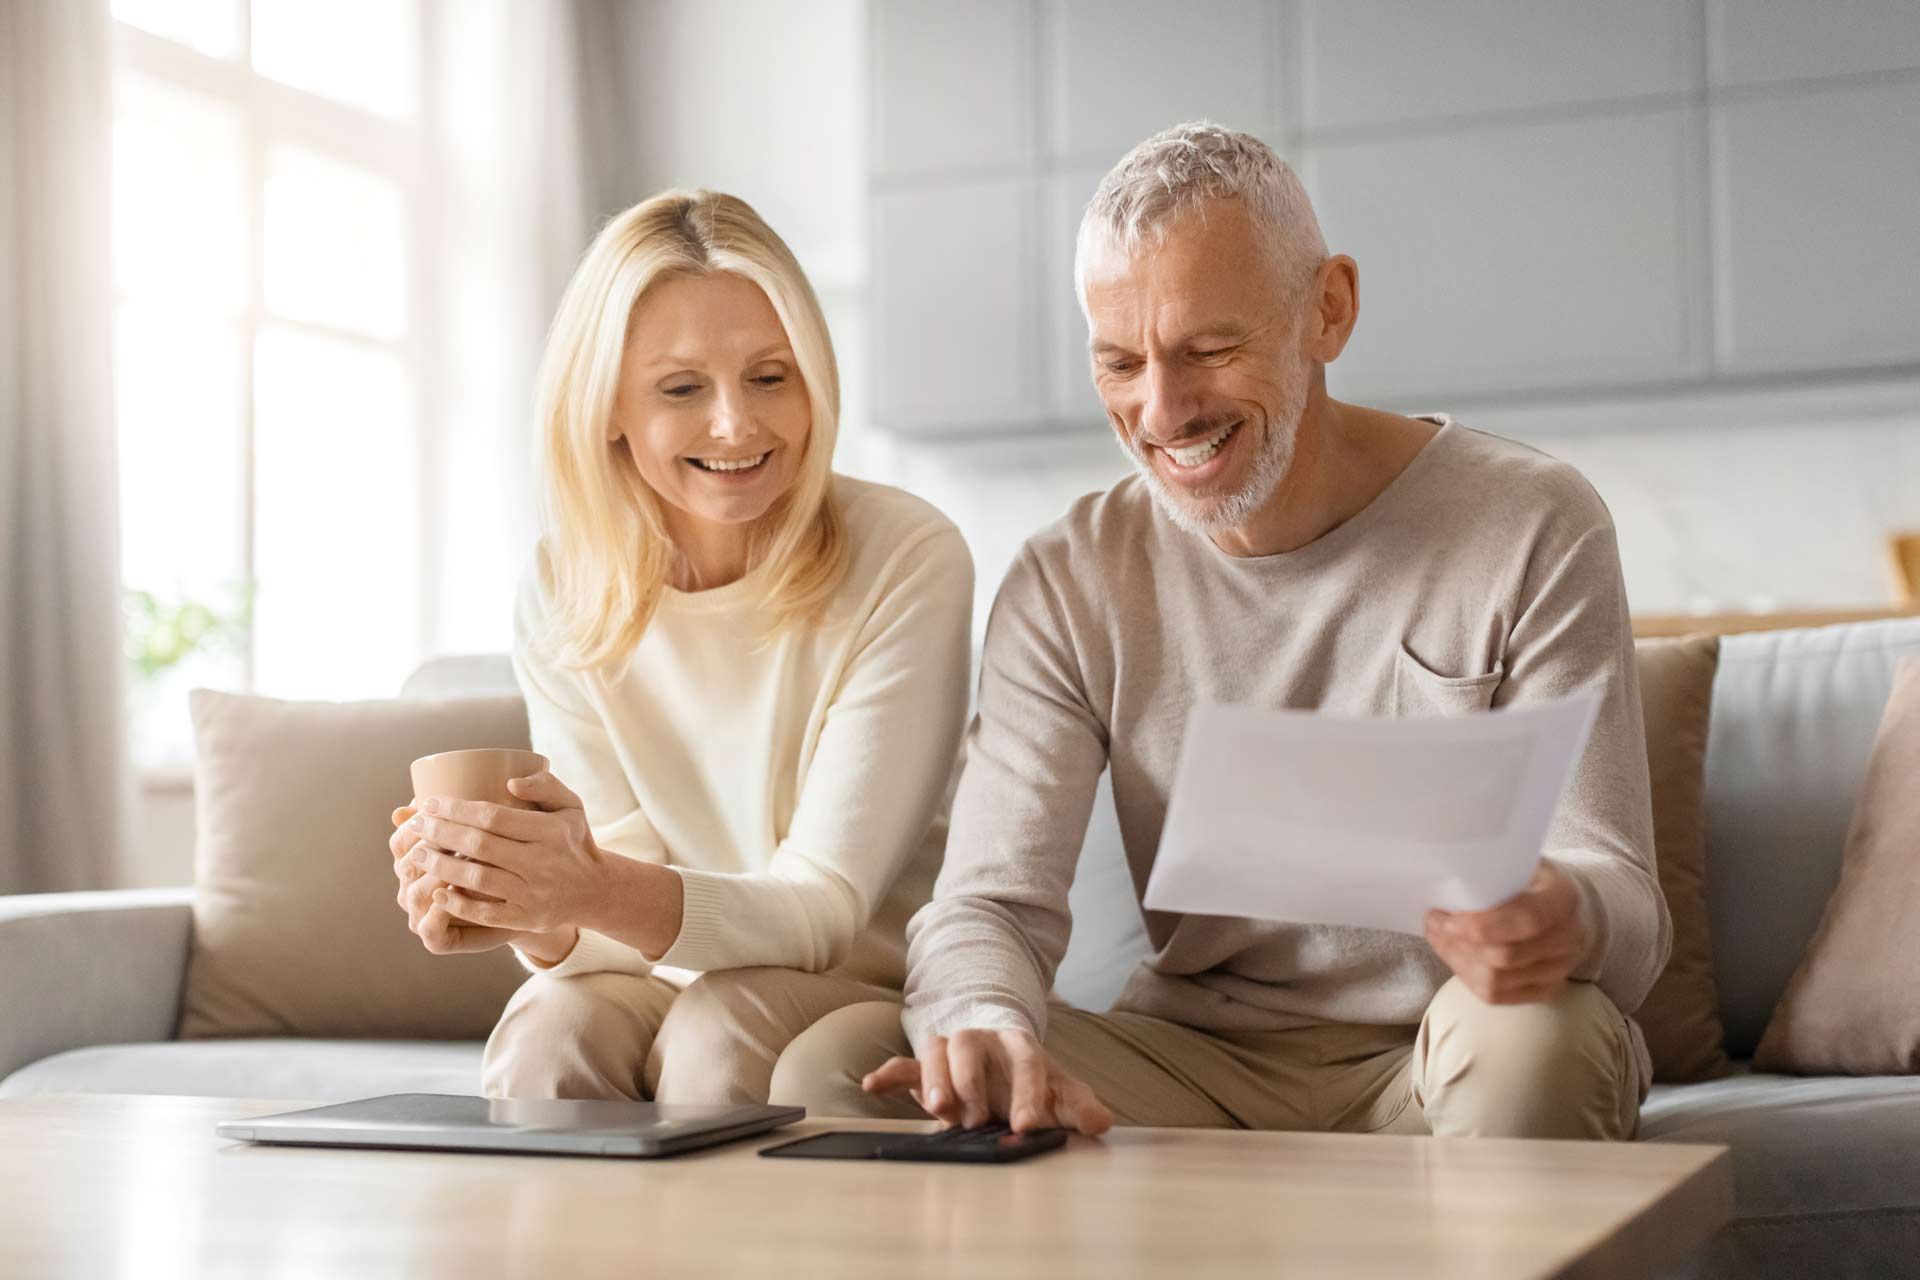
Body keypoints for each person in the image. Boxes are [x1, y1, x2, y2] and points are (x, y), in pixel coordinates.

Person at [772, 122, 1669, 1141]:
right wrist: (984, 1017)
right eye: (1120, 362)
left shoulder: (1529, 521)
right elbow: (990, 906)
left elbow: (1626, 913)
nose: (1164, 409)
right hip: (1197, 1059)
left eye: (1210, 349)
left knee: (1539, 1037)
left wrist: (1567, 915)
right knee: (837, 1066)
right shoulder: (1072, 578)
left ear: (1328, 309)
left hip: (1449, 1045)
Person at [385, 189, 973, 1104]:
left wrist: (578, 887)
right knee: (549, 1024)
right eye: (681, 389)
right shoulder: (562, 584)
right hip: (670, 972)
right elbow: (611, 901)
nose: (736, 424)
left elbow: (825, 910)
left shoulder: (907, 555)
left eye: (771, 377)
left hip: (866, 980)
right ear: (608, 408)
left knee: (720, 1029)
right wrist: (527, 909)